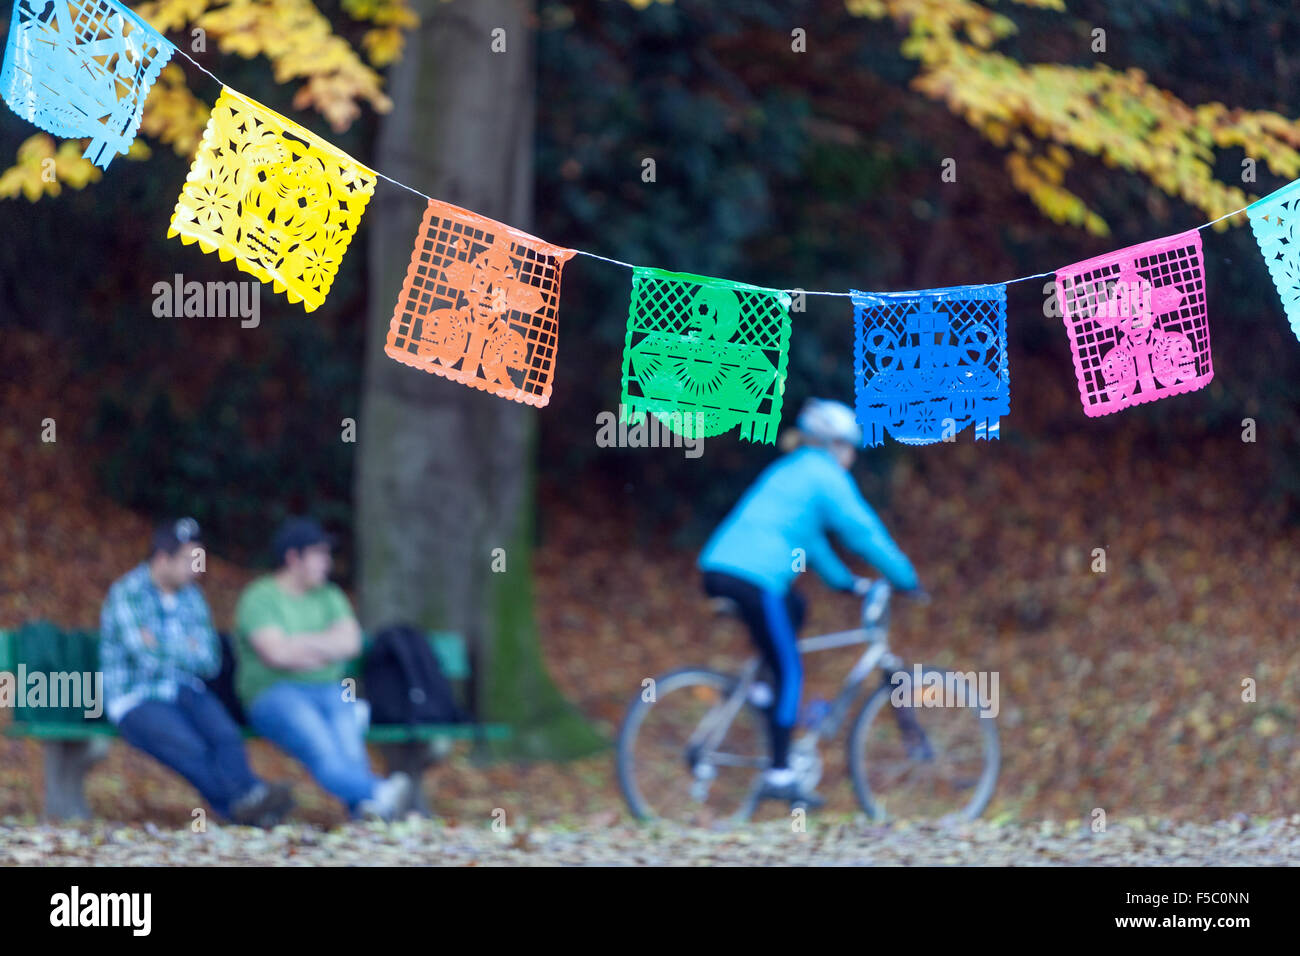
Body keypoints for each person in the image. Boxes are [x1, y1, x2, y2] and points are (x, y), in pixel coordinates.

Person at [699, 398, 922, 806]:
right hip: (755, 577)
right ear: (832, 444)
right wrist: (905, 578)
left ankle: (760, 695)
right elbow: (862, 532)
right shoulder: (825, 476)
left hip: (721, 569)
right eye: (849, 446)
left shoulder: (791, 471)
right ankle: (780, 775)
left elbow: (810, 542)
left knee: (795, 612)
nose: (852, 456)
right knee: (791, 670)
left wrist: (846, 583)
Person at [100, 518, 293, 826]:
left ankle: (249, 803)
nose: (197, 568)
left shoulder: (193, 597)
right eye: (190, 559)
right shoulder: (127, 593)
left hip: (185, 689)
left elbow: (209, 659)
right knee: (188, 746)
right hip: (135, 696)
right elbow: (145, 657)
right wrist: (185, 647)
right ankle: (249, 801)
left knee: (226, 735)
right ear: (163, 559)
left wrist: (165, 645)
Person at [234, 517, 412, 821]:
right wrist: (326, 647)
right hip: (275, 693)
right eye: (319, 554)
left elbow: (351, 644)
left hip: (333, 689)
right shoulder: (260, 598)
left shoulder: (329, 595)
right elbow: (277, 655)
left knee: (352, 753)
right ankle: (379, 792)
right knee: (324, 752)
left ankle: (366, 816)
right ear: (293, 558)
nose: (327, 563)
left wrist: (300, 644)